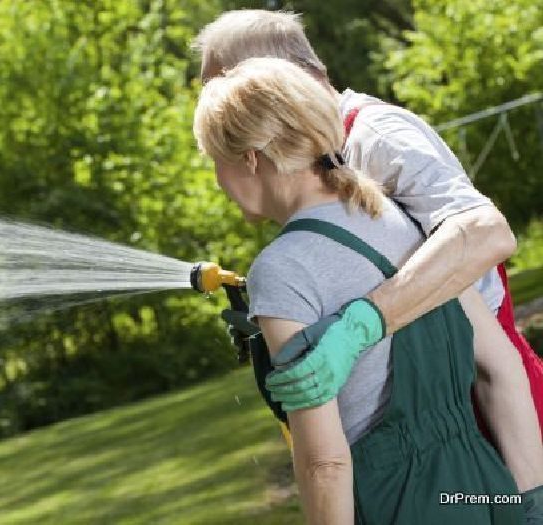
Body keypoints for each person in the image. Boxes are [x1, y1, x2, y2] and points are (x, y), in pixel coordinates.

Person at [193, 9, 543, 505]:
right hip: (453, 419)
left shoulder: (375, 135)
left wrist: (358, 326)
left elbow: (486, 232)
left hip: (491, 405)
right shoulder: (329, 173)